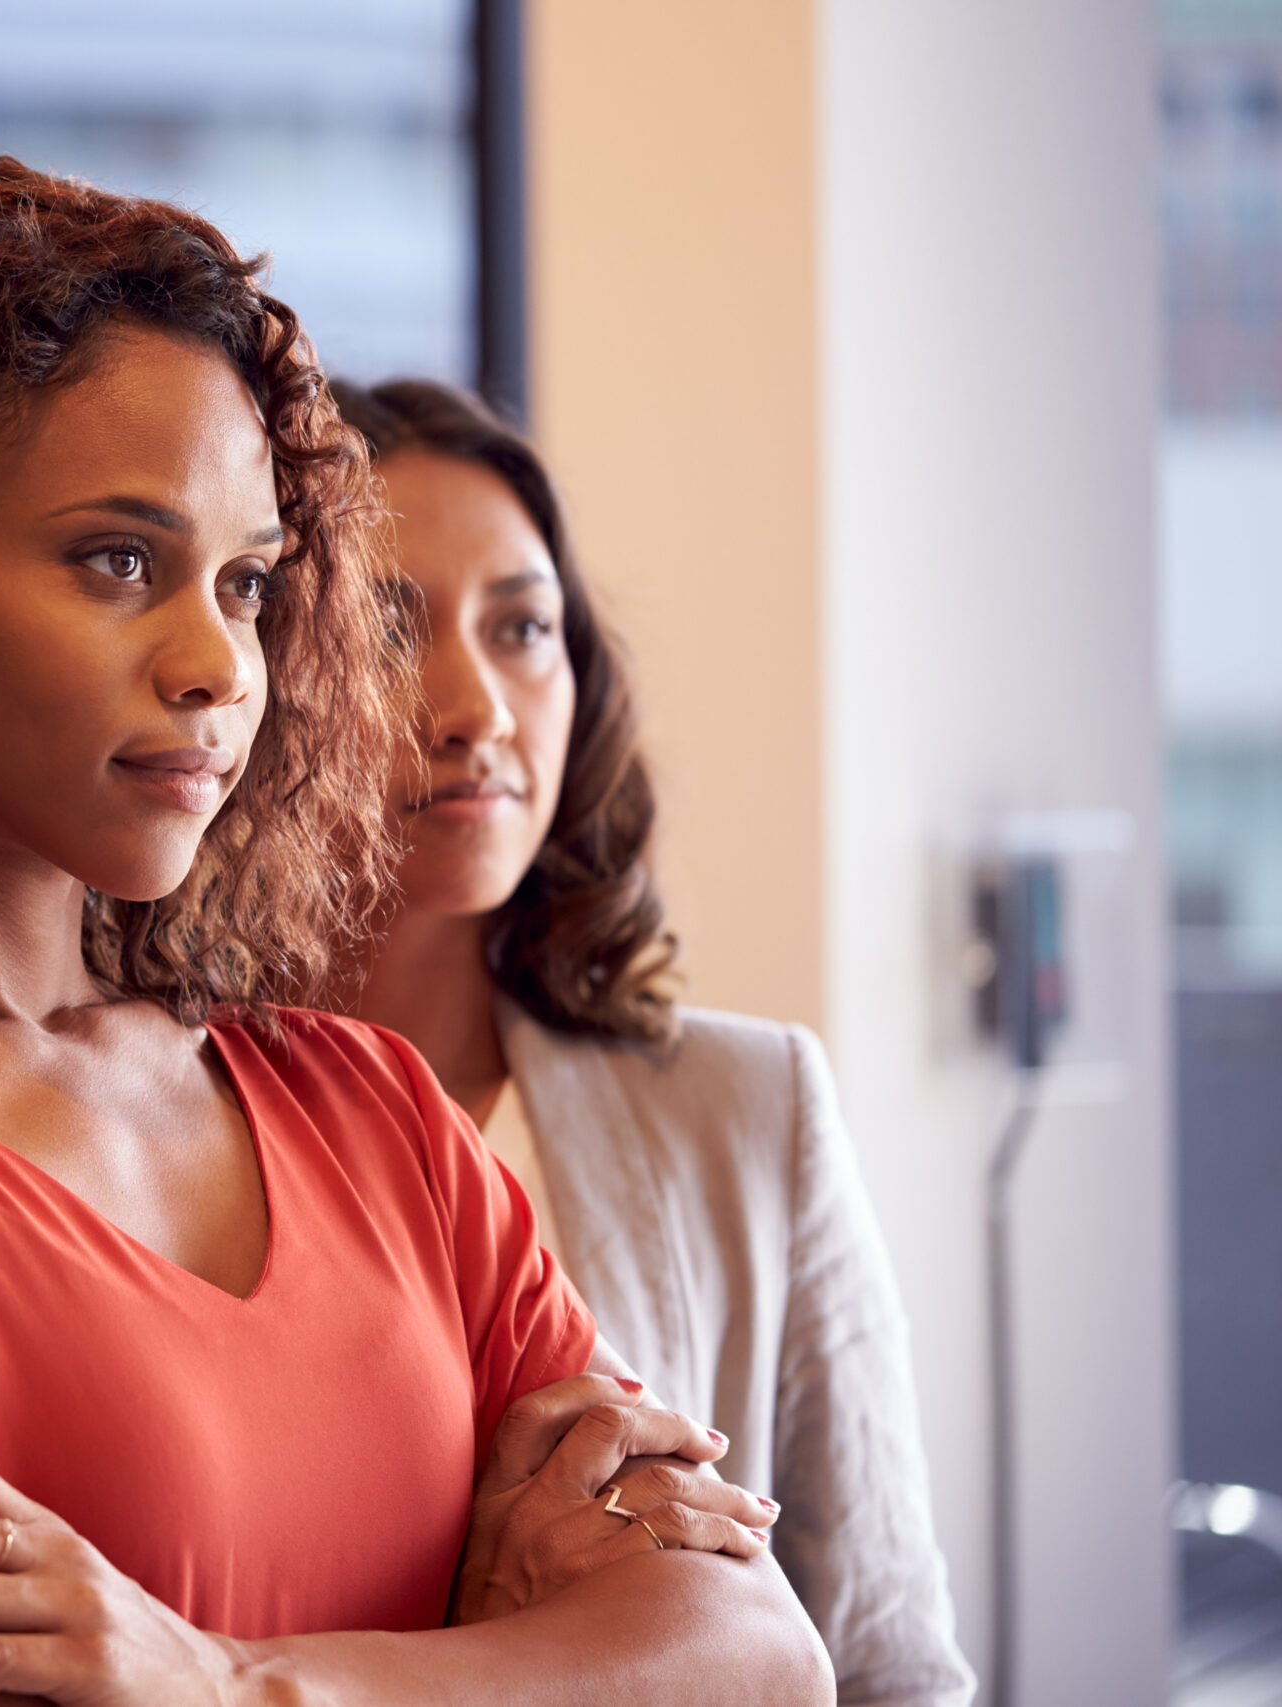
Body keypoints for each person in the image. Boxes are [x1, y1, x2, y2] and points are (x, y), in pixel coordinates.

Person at [0, 156, 833, 1707]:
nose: (220, 661)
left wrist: (231, 1684)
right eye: (118, 561)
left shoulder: (371, 1112)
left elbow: (758, 1662)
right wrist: (510, 1651)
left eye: (246, 582)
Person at [330, 376, 974, 1706]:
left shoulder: (748, 1109)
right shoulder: (137, 1110)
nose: (476, 706)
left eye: (522, 629)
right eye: (389, 629)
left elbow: (888, 1662)